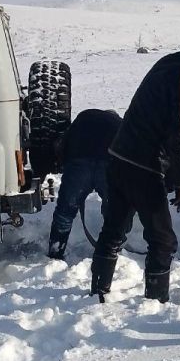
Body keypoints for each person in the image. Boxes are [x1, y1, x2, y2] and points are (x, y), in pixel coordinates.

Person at [90, 38, 180, 303]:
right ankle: (155, 302)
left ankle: (98, 291)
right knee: (163, 239)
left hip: (119, 155)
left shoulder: (167, 63)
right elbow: (179, 134)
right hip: (144, 164)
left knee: (114, 229)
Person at [47, 108, 122, 260]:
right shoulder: (118, 123)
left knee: (65, 212)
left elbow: (61, 145)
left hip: (78, 164)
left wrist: (66, 166)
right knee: (115, 211)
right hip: (109, 164)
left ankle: (56, 251)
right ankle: (111, 251)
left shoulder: (83, 117)